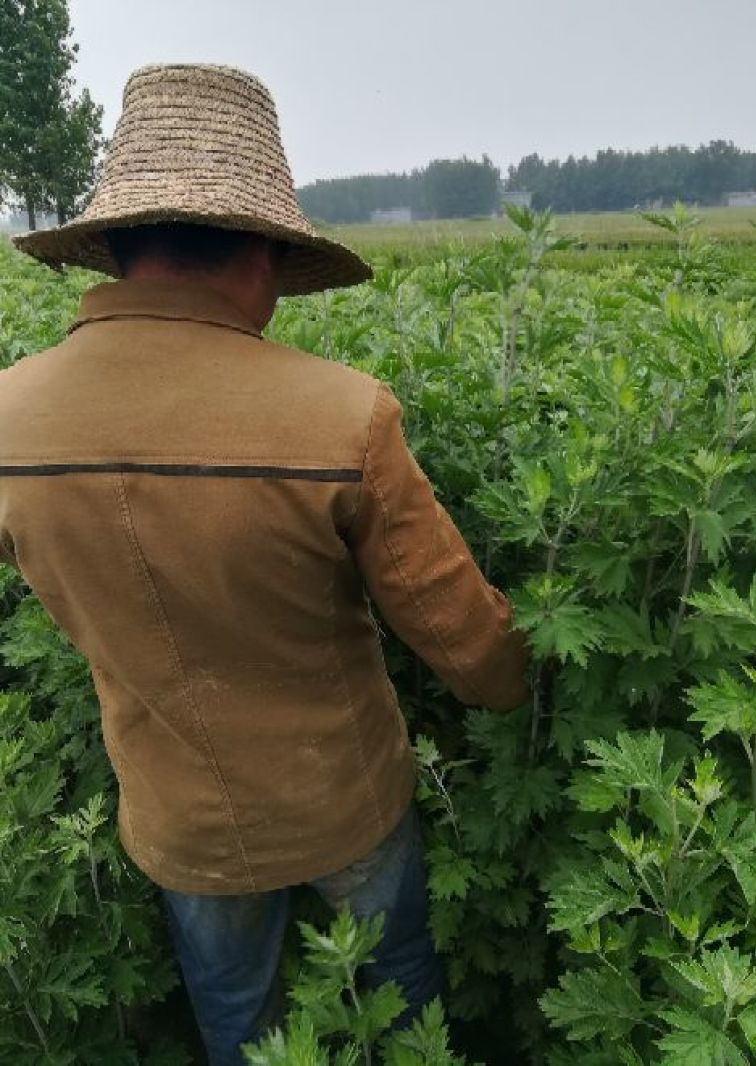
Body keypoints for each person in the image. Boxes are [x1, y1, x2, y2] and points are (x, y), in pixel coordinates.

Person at [0, 64, 530, 1064]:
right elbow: (455, 630)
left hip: (178, 816)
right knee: (400, 987)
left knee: (238, 1018)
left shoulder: (10, 415)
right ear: (256, 255)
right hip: (345, 797)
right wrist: (513, 694)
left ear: (116, 246)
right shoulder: (342, 414)